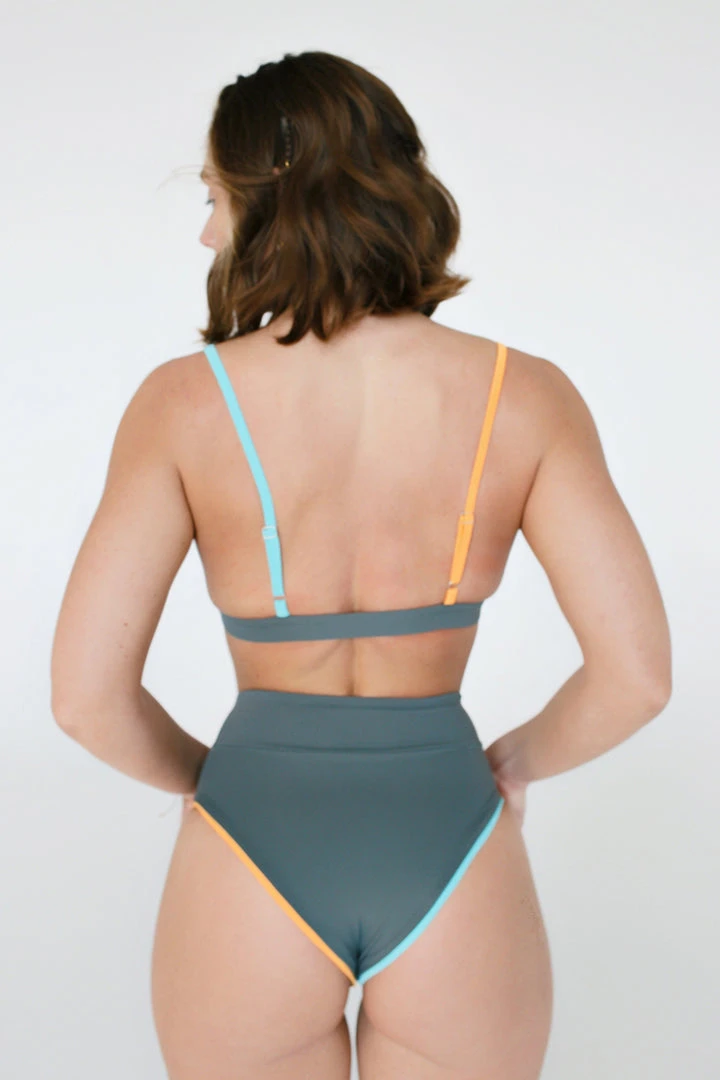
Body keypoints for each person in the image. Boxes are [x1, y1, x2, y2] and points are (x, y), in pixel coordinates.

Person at [50, 50, 671, 1080]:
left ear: (268, 199)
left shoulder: (182, 405)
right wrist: (511, 766)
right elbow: (637, 678)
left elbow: (83, 699)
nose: (207, 233)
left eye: (213, 198)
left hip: (251, 836)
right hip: (449, 830)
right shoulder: (527, 396)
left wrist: (224, 785)